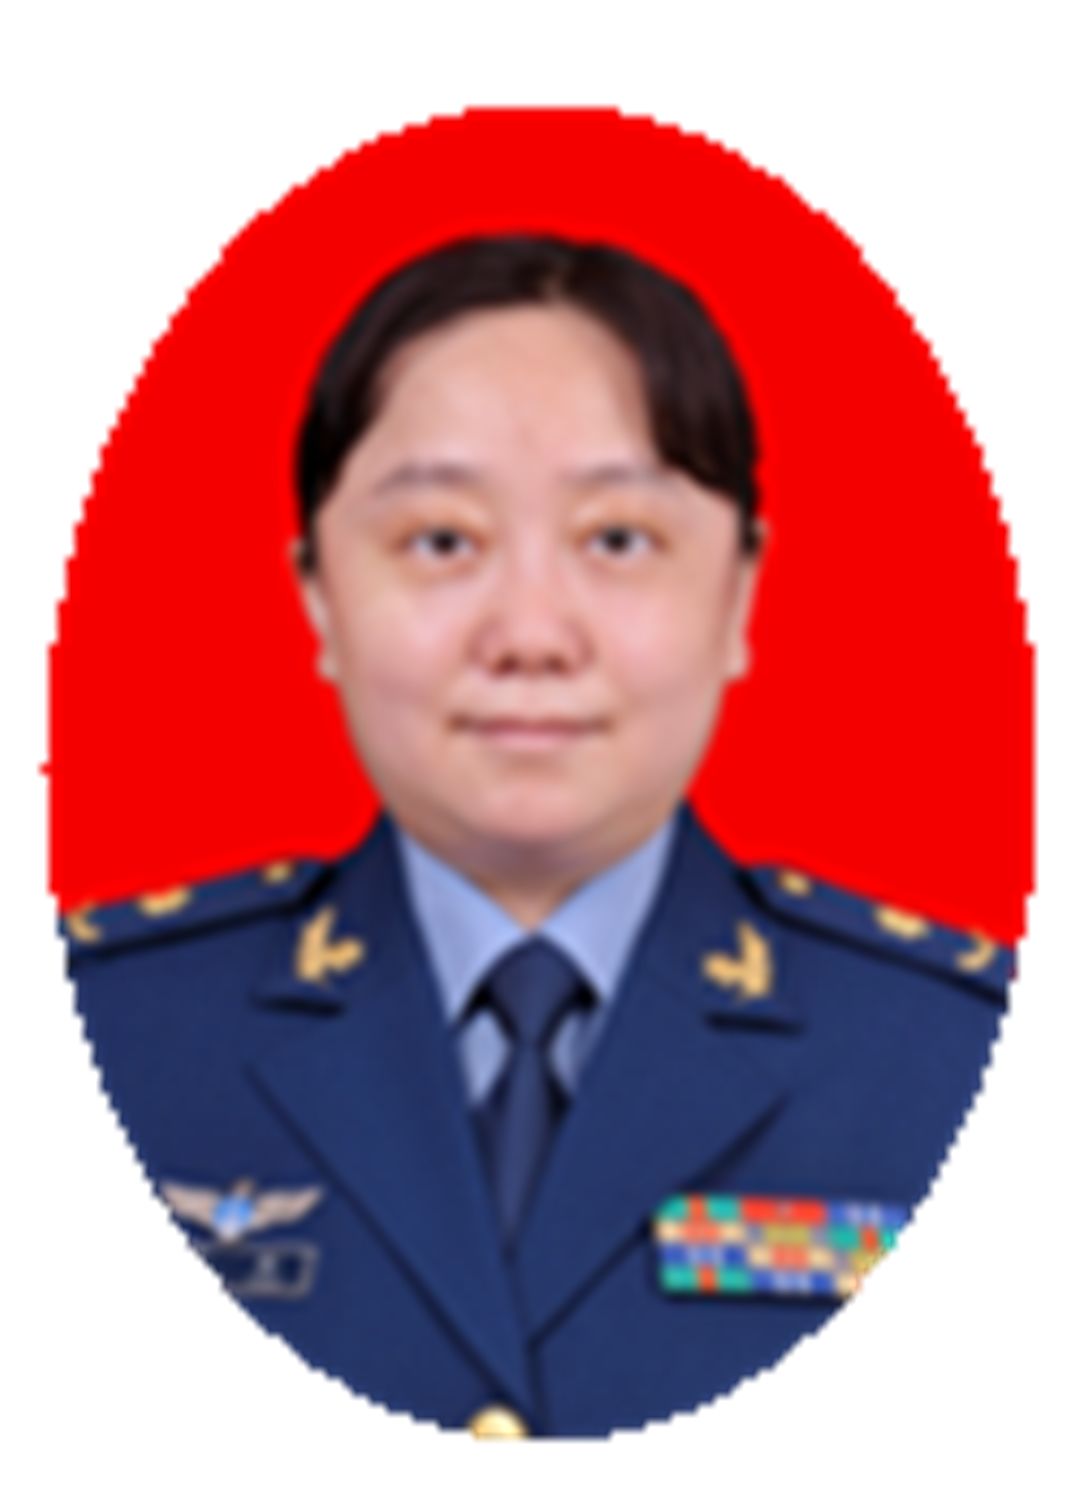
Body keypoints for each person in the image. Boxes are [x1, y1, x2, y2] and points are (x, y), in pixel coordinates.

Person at [63, 234, 1012, 1439]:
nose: (529, 635)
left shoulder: (962, 1061)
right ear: (318, 596)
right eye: (441, 542)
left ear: (739, 594)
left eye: (616, 540)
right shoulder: (99, 1033)